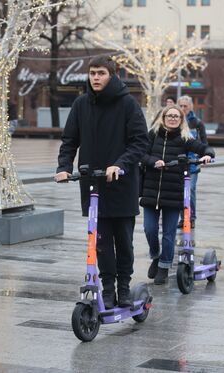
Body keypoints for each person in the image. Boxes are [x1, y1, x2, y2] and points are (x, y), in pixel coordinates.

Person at [55, 56, 149, 309]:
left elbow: (140, 141)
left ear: (112, 75)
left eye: (101, 73)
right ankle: (108, 289)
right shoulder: (81, 104)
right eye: (93, 73)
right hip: (93, 184)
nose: (95, 78)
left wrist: (121, 164)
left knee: (123, 240)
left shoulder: (128, 104)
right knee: (101, 242)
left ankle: (124, 288)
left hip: (122, 184)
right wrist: (64, 167)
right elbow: (69, 140)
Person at [140, 105, 214, 284]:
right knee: (149, 230)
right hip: (151, 191)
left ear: (181, 120)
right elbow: (140, 154)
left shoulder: (185, 138)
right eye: (169, 115)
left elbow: (203, 147)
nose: (172, 118)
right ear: (163, 117)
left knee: (168, 233)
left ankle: (164, 267)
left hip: (173, 193)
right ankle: (156, 257)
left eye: (176, 116)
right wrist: (153, 161)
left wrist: (207, 155)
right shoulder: (153, 135)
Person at [177, 95, 207, 229]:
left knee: (190, 190)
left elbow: (204, 143)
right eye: (181, 106)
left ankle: (191, 218)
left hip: (193, 163)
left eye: (185, 106)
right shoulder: (175, 120)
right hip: (178, 162)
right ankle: (183, 218)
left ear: (190, 107)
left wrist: (203, 156)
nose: (183, 108)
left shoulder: (197, 123)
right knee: (180, 191)